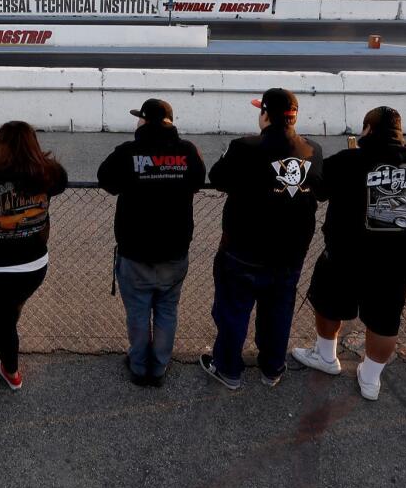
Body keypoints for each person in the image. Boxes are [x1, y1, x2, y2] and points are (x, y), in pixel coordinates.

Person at [292, 107, 406, 401]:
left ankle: (327, 356)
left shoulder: (350, 160)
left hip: (347, 256)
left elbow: (319, 190)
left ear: (368, 129)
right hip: (399, 262)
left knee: (329, 304)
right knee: (385, 320)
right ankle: (370, 379)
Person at [200, 89, 324, 390]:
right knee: (278, 313)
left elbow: (217, 178)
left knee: (233, 312)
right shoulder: (313, 149)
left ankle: (228, 369)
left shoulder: (244, 146)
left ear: (265, 114)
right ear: (294, 116)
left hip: (244, 250)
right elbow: (320, 190)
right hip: (290, 253)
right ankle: (272, 368)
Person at [97, 99, 205, 387]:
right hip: (174, 249)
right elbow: (197, 180)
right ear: (170, 122)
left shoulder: (128, 152)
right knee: (167, 309)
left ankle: (139, 365)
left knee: (138, 311)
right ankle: (158, 368)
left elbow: (105, 180)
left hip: (135, 251)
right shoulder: (187, 151)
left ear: (144, 121)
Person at [0, 121, 67, 394]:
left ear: (1, 146)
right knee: (9, 314)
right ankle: (5, 367)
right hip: (32, 264)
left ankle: (0, 363)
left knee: (5, 315)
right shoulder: (49, 173)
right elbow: (62, 181)